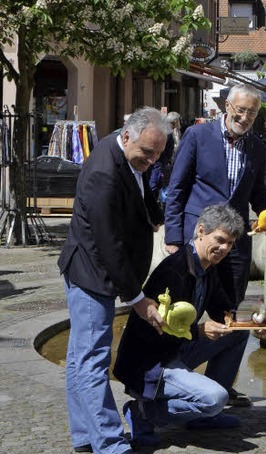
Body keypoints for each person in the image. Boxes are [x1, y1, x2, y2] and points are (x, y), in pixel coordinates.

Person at [58, 107, 170, 454]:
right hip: (91, 273)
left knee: (80, 359)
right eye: (146, 153)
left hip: (95, 269)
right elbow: (109, 244)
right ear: (127, 136)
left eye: (158, 155)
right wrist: (136, 299)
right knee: (93, 361)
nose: (151, 161)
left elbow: (141, 189)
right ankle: (109, 442)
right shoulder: (104, 172)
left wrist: (153, 213)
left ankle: (85, 437)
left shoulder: (123, 151)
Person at [114, 204, 263, 445]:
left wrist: (253, 325)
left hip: (175, 348)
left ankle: (204, 417)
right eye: (220, 240)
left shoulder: (207, 266)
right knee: (216, 398)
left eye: (230, 244)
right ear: (201, 231)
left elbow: (223, 310)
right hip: (150, 362)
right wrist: (200, 330)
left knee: (236, 335)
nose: (225, 248)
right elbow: (157, 328)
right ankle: (143, 413)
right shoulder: (175, 270)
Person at [163, 85, 266, 314]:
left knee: (231, 313)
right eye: (241, 109)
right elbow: (176, 189)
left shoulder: (257, 148)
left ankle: (223, 349)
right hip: (198, 239)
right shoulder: (197, 136)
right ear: (227, 106)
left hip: (235, 245)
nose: (245, 117)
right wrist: (173, 238)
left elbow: (258, 193)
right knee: (186, 310)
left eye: (252, 112)